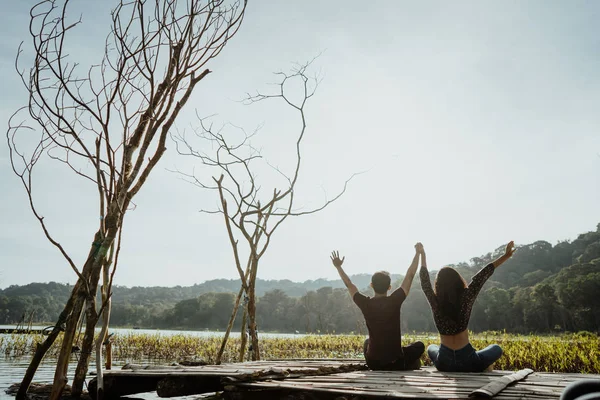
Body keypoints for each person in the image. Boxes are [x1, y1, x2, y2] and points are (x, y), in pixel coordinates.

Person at [419, 241, 516, 372]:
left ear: (438, 285)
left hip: (444, 362)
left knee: (431, 347)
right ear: (458, 280)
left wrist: (422, 254)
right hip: (468, 361)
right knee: (496, 348)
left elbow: (425, 282)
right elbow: (483, 274)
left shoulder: (435, 301)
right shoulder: (467, 296)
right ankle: (483, 368)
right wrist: (506, 256)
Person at [330, 245, 425, 370]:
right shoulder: (394, 300)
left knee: (367, 342)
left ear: (371, 285)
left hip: (374, 363)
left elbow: (349, 284)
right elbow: (410, 275)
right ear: (389, 287)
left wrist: (338, 267)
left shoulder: (365, 303)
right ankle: (411, 363)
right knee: (419, 346)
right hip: (395, 362)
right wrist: (418, 253)